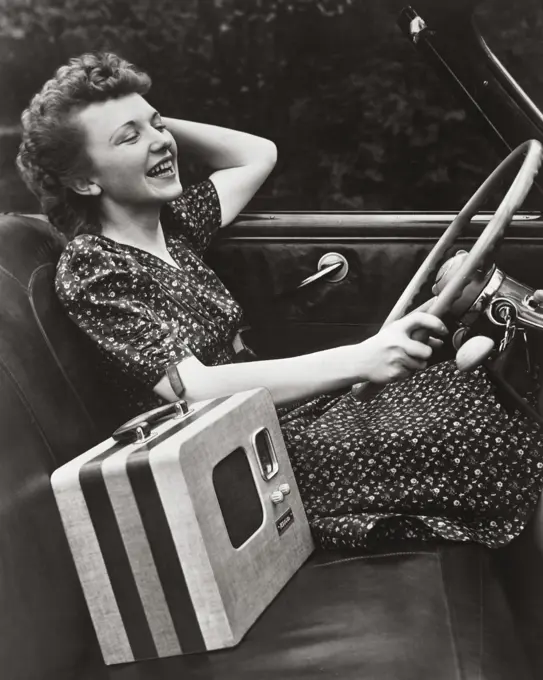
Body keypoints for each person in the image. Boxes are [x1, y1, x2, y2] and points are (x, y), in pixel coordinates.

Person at [17, 52, 543, 550]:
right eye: (127, 139)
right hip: (238, 459)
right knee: (480, 426)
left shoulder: (174, 226)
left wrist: (143, 123)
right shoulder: (94, 264)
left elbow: (257, 154)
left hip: (290, 417)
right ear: (84, 180)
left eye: (158, 125)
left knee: (484, 383)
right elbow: (191, 387)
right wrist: (359, 358)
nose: (160, 141)